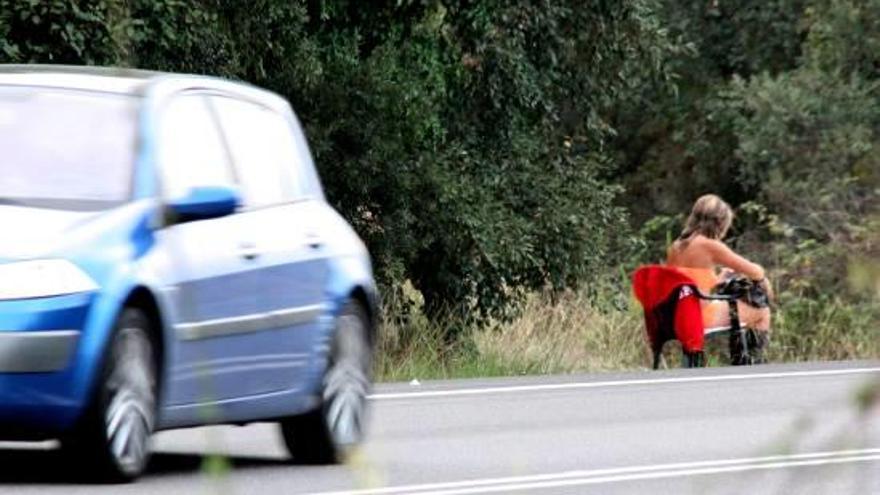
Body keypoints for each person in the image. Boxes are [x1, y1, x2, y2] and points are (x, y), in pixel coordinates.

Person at [666, 194, 772, 335]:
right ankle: (749, 357)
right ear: (720, 223)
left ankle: (743, 356)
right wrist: (761, 275)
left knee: (733, 306)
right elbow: (755, 272)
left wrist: (718, 280)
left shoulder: (677, 246)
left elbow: (686, 287)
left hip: (674, 317)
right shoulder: (709, 245)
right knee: (762, 312)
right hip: (700, 317)